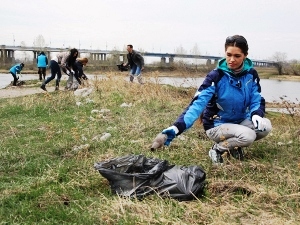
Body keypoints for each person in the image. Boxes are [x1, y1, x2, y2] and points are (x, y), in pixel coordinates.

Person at [153, 35, 272, 165]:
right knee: (248, 136)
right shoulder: (216, 76)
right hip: (216, 125)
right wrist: (177, 127)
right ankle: (217, 149)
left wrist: (256, 114)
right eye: (229, 55)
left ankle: (234, 147)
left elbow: (257, 98)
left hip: (239, 122)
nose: (231, 60)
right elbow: (197, 104)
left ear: (245, 55)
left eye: (237, 56)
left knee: (265, 126)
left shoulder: (251, 74)